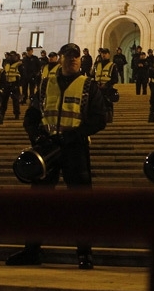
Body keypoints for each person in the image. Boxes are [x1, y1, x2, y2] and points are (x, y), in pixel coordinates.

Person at [7, 43, 108, 267]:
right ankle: (32, 251)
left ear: (80, 60)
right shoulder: (45, 85)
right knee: (38, 201)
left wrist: (74, 135)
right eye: (68, 55)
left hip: (75, 148)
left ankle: (84, 253)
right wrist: (37, 138)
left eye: (76, 56)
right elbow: (31, 117)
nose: (72, 59)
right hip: (48, 149)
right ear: (60, 59)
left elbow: (100, 119)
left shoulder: (89, 85)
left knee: (81, 202)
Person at [91, 47, 118, 123]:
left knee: (108, 105)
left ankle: (109, 120)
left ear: (109, 55)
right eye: (102, 53)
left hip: (107, 89)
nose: (104, 55)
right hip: (97, 88)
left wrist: (107, 84)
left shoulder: (112, 65)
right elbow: (92, 75)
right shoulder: (97, 65)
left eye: (105, 53)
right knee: (96, 105)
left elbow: (115, 79)